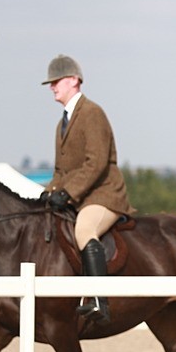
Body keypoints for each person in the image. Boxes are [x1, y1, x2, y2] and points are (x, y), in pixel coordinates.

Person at [41, 54, 134, 324]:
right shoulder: (62, 123)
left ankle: (97, 299)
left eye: (56, 81)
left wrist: (68, 193)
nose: (52, 87)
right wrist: (48, 194)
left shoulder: (92, 113)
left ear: (73, 80)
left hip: (104, 194)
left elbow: (96, 163)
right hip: (81, 195)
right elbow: (60, 171)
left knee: (84, 230)